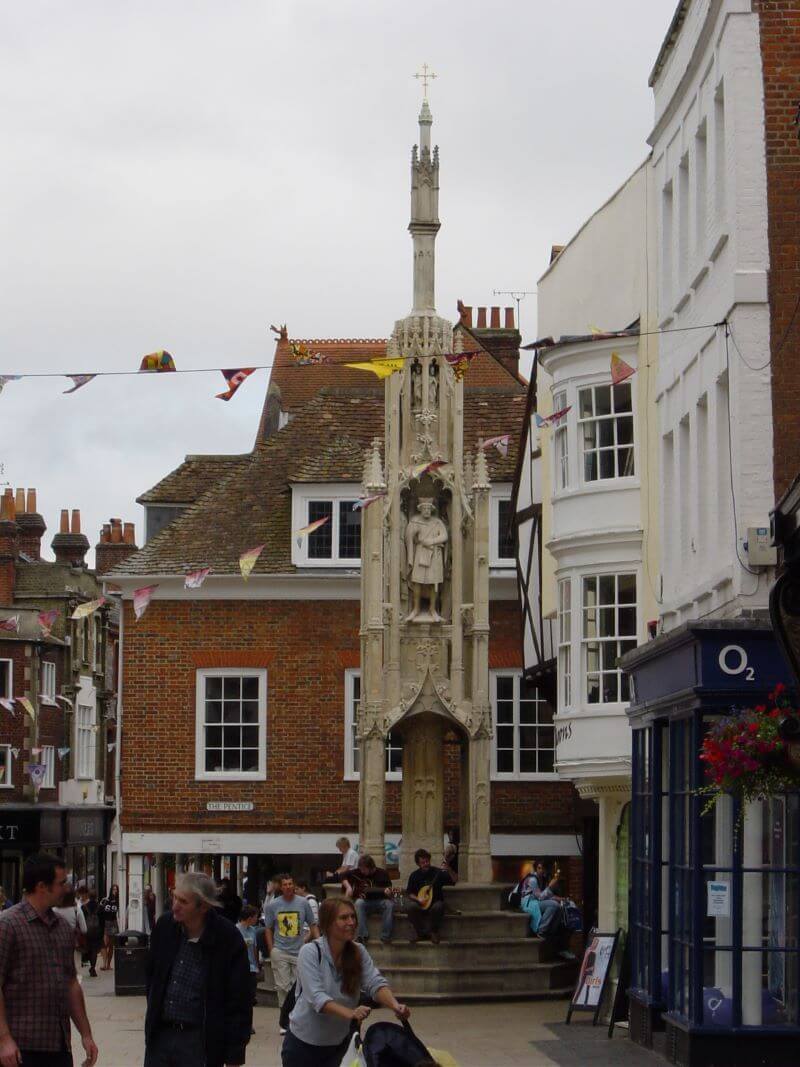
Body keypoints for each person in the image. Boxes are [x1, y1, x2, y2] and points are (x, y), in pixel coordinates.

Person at [282, 896, 410, 1067]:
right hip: (303, 1044)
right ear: (327, 923)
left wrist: (395, 1005)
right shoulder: (310, 952)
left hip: (339, 1044)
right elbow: (316, 998)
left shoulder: (358, 951)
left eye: (353, 917)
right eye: (343, 918)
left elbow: (374, 982)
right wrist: (351, 1013)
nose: (351, 922)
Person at [0, 852, 98, 1067]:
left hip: (58, 1047)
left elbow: (71, 983)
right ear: (42, 886)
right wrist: (4, 1039)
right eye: (61, 883)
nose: (66, 888)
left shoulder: (62, 928)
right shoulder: (8, 925)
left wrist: (86, 1034)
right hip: (20, 1049)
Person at [145, 871, 252, 1067]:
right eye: (174, 897)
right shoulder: (165, 927)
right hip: (161, 1036)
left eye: (183, 902)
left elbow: (239, 999)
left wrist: (235, 1054)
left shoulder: (228, 938)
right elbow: (152, 977)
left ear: (203, 906)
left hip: (200, 1040)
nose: (175, 906)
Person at [264, 875, 319, 1033]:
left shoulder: (303, 903)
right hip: (280, 950)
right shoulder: (273, 905)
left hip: (299, 950)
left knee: (298, 986)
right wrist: (271, 949)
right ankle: (284, 1019)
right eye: (285, 884)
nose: (288, 887)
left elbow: (313, 924)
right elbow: (268, 927)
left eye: (290, 884)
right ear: (281, 887)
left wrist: (319, 943)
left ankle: (296, 1016)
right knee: (282, 986)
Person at [405, 848, 453, 945]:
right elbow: (409, 893)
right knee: (410, 907)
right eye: (423, 862)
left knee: (439, 906)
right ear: (418, 864)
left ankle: (433, 932)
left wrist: (449, 869)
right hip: (421, 903)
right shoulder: (414, 876)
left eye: (427, 861)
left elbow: (453, 881)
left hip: (435, 902)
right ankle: (420, 933)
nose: (426, 864)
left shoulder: (437, 872)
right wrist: (418, 899)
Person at [342, 855, 394, 944]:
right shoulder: (359, 872)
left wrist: (388, 893)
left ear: (371, 867)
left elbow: (389, 891)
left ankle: (386, 936)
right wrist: (348, 887)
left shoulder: (383, 873)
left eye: (364, 869)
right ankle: (362, 936)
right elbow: (342, 875)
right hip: (366, 902)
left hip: (380, 901)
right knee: (358, 903)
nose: (362, 872)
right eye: (361, 869)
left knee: (389, 904)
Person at [236, 905, 261, 1035]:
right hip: (240, 969)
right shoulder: (236, 930)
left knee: (250, 998)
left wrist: (257, 966)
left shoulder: (253, 931)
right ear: (250, 917)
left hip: (251, 968)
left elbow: (255, 949)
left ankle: (249, 1023)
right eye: (255, 917)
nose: (257, 919)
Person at [53, 887, 88, 970]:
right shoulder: (77, 910)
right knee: (75, 971)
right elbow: (84, 929)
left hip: (56, 945)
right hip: (74, 945)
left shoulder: (53, 910)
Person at [81, 891, 105, 977]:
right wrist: (102, 933)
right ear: (96, 897)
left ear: (88, 896)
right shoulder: (101, 908)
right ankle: (93, 967)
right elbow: (102, 922)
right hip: (97, 932)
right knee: (94, 950)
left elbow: (81, 921)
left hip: (87, 932)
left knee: (88, 948)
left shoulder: (83, 907)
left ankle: (89, 964)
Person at [99, 884, 119, 970]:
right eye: (114, 889)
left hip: (113, 923)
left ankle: (108, 964)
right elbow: (100, 911)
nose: (115, 891)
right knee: (105, 943)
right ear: (111, 890)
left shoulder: (118, 901)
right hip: (106, 922)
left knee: (111, 945)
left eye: (116, 890)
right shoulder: (105, 900)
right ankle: (104, 963)